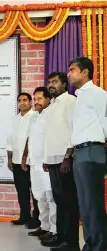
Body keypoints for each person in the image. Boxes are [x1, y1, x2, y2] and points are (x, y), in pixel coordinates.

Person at [68, 57, 107, 251]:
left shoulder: (98, 93)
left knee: (93, 204)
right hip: (80, 153)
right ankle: (91, 245)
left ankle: (99, 246)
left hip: (92, 151)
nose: (69, 74)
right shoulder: (80, 96)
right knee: (85, 205)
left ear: (85, 72)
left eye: (73, 70)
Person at [41, 72, 79, 250]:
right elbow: (51, 135)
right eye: (49, 82)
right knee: (60, 201)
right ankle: (61, 237)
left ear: (64, 84)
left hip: (65, 160)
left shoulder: (70, 101)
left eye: (55, 82)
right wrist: (47, 158)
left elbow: (75, 129)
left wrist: (67, 157)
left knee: (69, 202)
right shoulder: (52, 105)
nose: (51, 85)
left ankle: (71, 243)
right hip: (53, 160)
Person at [21, 87, 57, 241]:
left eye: (39, 99)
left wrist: (49, 159)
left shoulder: (52, 115)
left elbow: (55, 138)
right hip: (34, 164)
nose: (36, 102)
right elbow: (29, 138)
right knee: (39, 196)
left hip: (46, 164)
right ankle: (44, 227)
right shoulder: (34, 116)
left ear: (48, 99)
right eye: (35, 99)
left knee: (50, 197)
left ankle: (55, 230)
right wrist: (24, 156)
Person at [6, 92, 40, 229]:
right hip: (16, 160)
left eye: (25, 100)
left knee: (36, 192)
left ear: (31, 101)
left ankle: (37, 219)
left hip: (31, 161)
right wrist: (9, 159)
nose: (22, 103)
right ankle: (24, 216)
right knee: (22, 190)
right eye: (19, 100)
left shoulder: (36, 117)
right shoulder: (14, 119)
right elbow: (10, 140)